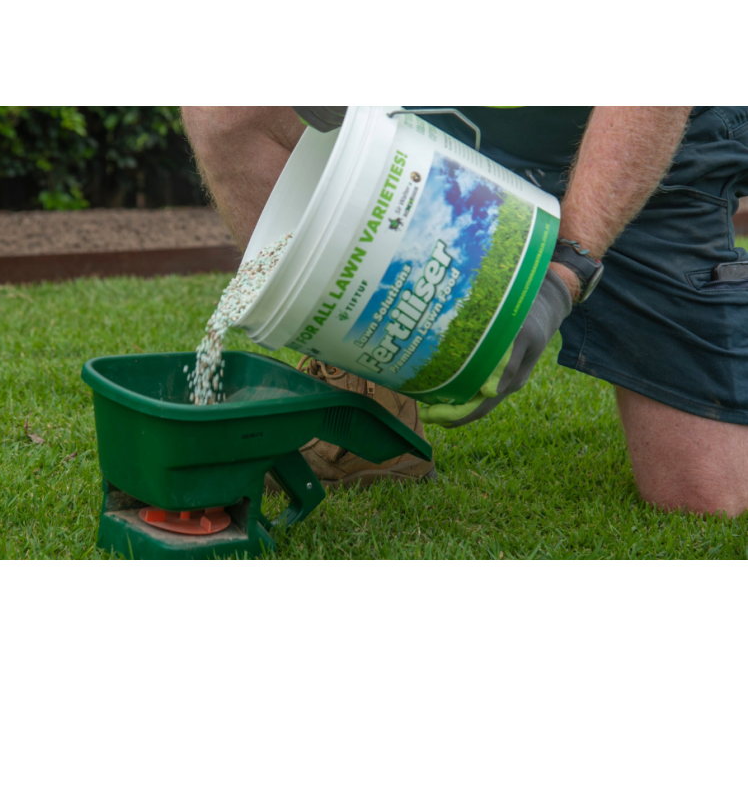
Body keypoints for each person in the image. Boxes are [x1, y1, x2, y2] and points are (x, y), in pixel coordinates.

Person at [181, 106, 748, 517]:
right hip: (448, 130)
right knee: (227, 104)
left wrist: (564, 271)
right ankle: (365, 401)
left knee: (706, 496)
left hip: (648, 150)